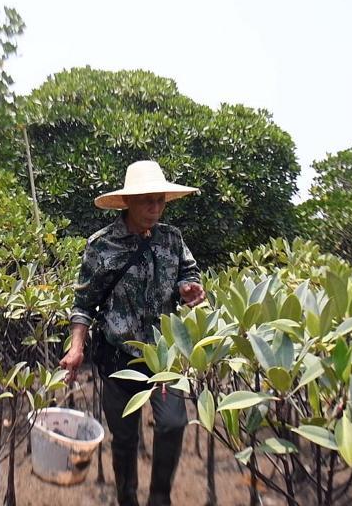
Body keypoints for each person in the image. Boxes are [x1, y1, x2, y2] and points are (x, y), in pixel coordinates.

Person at [59, 160, 206, 506]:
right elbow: (84, 304)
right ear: (127, 202)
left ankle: (160, 499)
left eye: (160, 201)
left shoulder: (172, 238)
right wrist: (76, 348)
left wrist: (190, 289)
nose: (155, 208)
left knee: (172, 424)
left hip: (163, 356)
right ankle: (127, 498)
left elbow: (189, 273)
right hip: (118, 356)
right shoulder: (101, 245)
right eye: (146, 201)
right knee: (124, 439)